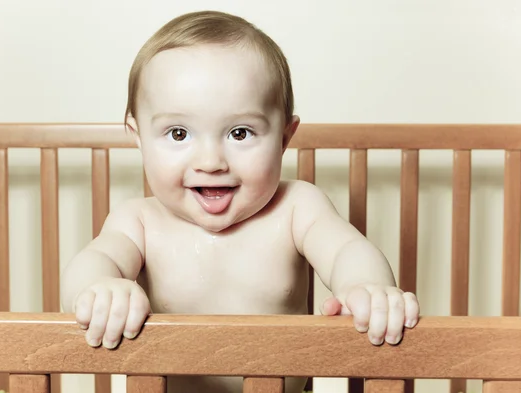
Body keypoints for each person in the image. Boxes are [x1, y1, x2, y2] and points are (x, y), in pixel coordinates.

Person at [60, 9, 420, 393]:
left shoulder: (298, 208)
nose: (211, 162)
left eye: (240, 132)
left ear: (284, 136)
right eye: (179, 133)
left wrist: (364, 287)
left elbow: (347, 248)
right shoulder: (139, 221)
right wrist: (100, 288)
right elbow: (96, 261)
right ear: (138, 136)